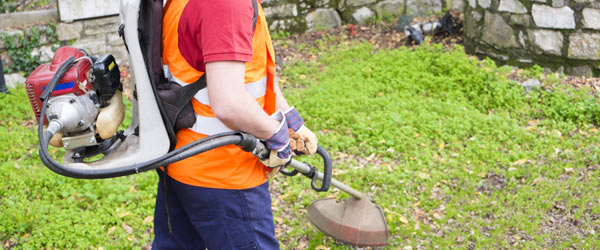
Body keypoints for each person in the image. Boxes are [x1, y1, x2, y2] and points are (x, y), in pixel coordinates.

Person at [153, 0, 318, 249]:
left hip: (180, 160)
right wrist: (278, 137)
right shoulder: (227, 4)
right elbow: (230, 102)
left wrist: (289, 117)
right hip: (223, 173)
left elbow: (245, 73)